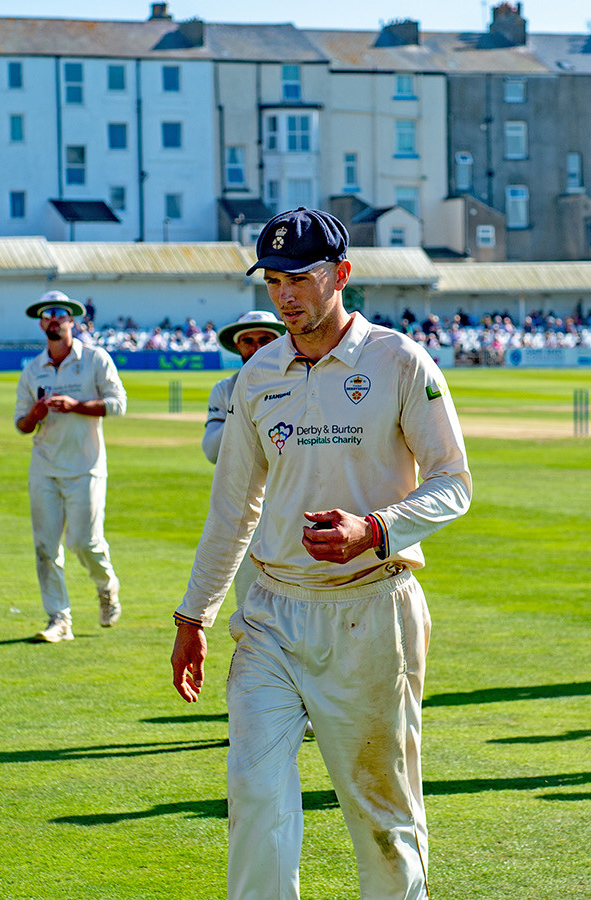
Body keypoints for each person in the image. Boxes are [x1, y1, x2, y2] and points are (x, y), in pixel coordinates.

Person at [170, 207, 471, 900]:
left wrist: (375, 528)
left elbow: (455, 484)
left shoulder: (398, 360)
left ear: (341, 275)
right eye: (273, 280)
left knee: (381, 817)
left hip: (370, 609)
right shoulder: (258, 375)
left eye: (299, 279)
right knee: (252, 793)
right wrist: (195, 616)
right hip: (272, 614)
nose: (284, 296)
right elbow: (233, 510)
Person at [14, 290, 127, 643]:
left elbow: (118, 404)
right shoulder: (32, 370)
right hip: (44, 466)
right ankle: (59, 619)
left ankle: (107, 587)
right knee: (45, 547)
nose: (54, 319)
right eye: (47, 315)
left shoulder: (95, 359)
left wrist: (77, 405)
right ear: (41, 323)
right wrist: (35, 413)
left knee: (84, 542)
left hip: (86, 465)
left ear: (71, 321)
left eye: (60, 314)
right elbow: (21, 424)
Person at [203, 310, 289, 607]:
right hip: (247, 508)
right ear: (237, 346)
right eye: (247, 341)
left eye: (265, 339)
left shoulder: (301, 380)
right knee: (251, 603)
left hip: (295, 503)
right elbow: (212, 451)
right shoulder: (226, 389)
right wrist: (245, 412)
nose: (255, 348)